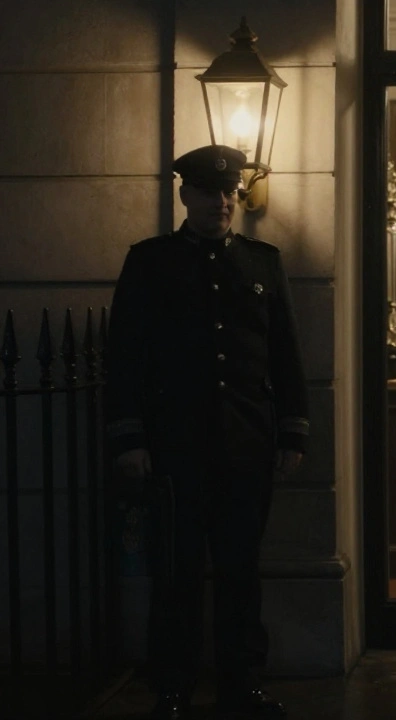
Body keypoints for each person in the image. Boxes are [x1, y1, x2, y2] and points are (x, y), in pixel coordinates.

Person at [105, 144, 309, 720]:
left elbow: (285, 353)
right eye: (210, 192)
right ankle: (171, 686)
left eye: (229, 192)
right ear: (185, 196)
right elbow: (126, 358)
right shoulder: (150, 262)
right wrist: (130, 439)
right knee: (178, 573)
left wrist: (292, 433)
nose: (222, 202)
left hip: (247, 443)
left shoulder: (262, 262)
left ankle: (241, 685)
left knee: (241, 571)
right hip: (175, 447)